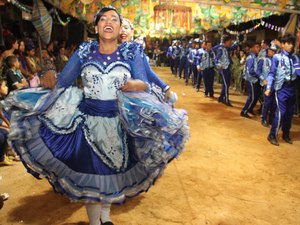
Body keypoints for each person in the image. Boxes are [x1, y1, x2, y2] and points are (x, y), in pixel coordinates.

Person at [2, 6, 189, 225]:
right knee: (91, 172)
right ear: (97, 26)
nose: (108, 22)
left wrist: (133, 85)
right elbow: (63, 81)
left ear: (120, 27)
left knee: (109, 173)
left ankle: (106, 217)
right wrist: (49, 75)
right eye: (103, 19)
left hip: (119, 122)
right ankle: (94, 222)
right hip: (86, 121)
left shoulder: (132, 52)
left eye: (114, 19)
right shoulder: (85, 50)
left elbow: (144, 83)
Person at [265, 34, 297, 146]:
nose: (291, 46)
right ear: (282, 45)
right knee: (281, 112)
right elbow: (271, 73)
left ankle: (286, 134)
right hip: (281, 88)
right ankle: (272, 135)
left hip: (292, 88)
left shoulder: (295, 58)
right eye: (288, 43)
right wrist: (269, 87)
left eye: (292, 43)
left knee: (289, 113)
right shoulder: (276, 57)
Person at [214, 34, 239, 106]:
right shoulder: (220, 49)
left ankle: (221, 98)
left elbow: (232, 47)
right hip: (223, 69)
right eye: (230, 41)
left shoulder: (225, 48)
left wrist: (237, 42)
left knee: (227, 84)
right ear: (226, 41)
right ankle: (226, 99)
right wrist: (219, 65)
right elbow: (216, 60)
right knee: (226, 84)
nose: (231, 43)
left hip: (227, 68)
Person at [257, 44, 277, 127]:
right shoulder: (263, 60)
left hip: (276, 84)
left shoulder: (277, 61)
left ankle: (271, 119)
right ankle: (264, 118)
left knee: (274, 104)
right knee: (267, 103)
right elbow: (257, 70)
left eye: (273, 51)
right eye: (270, 50)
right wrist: (263, 79)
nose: (271, 52)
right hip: (268, 84)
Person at [240, 41, 261, 118]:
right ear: (252, 48)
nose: (258, 48)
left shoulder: (255, 57)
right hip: (251, 79)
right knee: (252, 97)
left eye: (259, 47)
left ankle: (250, 109)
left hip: (254, 79)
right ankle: (244, 111)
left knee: (256, 95)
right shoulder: (251, 57)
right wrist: (259, 75)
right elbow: (251, 71)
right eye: (257, 47)